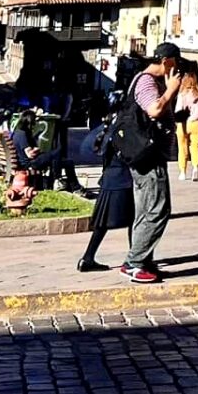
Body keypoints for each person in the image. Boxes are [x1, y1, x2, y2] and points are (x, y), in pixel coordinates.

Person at [122, 41, 183, 283]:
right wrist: (171, 90)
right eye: (175, 63)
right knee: (158, 209)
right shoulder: (147, 81)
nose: (177, 68)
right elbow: (154, 110)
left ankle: (143, 260)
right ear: (167, 61)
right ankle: (135, 263)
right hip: (149, 157)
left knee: (145, 210)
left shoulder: (146, 80)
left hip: (147, 155)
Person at [79, 99, 136, 272]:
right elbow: (129, 154)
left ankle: (87, 258)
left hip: (108, 180)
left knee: (102, 224)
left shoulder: (108, 127)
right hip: (122, 179)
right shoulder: (122, 128)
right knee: (133, 220)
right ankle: (135, 259)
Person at [174, 63, 198, 182]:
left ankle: (182, 172)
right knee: (196, 147)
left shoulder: (182, 95)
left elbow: (178, 110)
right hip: (196, 122)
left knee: (182, 148)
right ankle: (195, 168)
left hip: (183, 123)